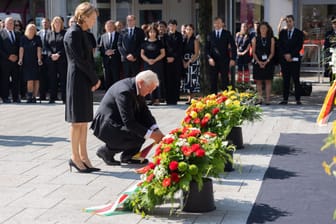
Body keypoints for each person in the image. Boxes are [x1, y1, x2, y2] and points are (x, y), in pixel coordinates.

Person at [91, 70, 165, 165]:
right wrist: (152, 135)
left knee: (143, 130)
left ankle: (129, 156)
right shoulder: (124, 91)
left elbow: (145, 112)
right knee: (139, 133)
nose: (150, 92)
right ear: (141, 83)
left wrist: (155, 129)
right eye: (149, 89)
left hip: (118, 119)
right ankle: (107, 151)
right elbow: (129, 122)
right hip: (106, 124)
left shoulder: (137, 86)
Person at [64, 2, 101, 173]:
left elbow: (89, 59)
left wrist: (93, 78)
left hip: (84, 79)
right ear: (84, 17)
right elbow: (79, 61)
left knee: (84, 121)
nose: (94, 21)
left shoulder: (83, 33)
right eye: (92, 18)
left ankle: (84, 157)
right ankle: (74, 157)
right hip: (77, 79)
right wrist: (94, 79)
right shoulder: (73, 34)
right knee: (76, 121)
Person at [205, 17, 236, 94]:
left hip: (224, 60)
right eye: (216, 23)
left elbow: (233, 46)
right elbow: (206, 49)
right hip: (213, 61)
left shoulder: (227, 33)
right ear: (213, 24)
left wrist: (233, 59)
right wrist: (209, 58)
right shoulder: (210, 34)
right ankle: (213, 98)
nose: (217, 24)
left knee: (225, 80)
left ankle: (226, 98)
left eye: (219, 22)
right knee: (213, 80)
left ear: (222, 24)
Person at [278, 15, 304, 105]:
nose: (288, 23)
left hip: (295, 59)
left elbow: (299, 45)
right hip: (285, 60)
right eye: (287, 21)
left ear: (293, 22)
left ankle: (298, 99)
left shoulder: (299, 33)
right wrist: (285, 55)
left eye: (290, 21)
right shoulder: (282, 33)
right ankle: (285, 99)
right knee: (286, 79)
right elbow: (280, 45)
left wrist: (291, 55)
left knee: (296, 79)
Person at [140, 24, 165, 105]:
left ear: (156, 33)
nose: (152, 33)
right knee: (148, 81)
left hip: (157, 64)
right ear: (148, 33)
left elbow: (163, 54)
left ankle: (157, 99)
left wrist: (154, 60)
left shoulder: (159, 42)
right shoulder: (144, 43)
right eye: (150, 32)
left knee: (157, 81)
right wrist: (148, 60)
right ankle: (150, 99)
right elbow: (142, 54)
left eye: (154, 32)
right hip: (147, 64)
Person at [18, 24, 43, 103]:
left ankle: (34, 97)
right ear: (27, 29)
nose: (32, 30)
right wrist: (20, 59)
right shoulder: (23, 38)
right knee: (30, 79)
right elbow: (21, 49)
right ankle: (29, 96)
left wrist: (39, 59)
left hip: (35, 61)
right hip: (27, 61)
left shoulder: (37, 38)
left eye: (33, 29)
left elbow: (39, 49)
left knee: (36, 79)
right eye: (30, 29)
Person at [252, 21, 275, 105]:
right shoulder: (255, 39)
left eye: (264, 28)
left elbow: (272, 52)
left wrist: (266, 62)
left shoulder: (271, 39)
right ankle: (259, 99)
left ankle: (268, 99)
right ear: (259, 29)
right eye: (261, 28)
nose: (263, 30)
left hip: (268, 62)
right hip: (257, 62)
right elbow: (253, 52)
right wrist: (258, 62)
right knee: (258, 81)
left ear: (267, 29)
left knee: (268, 81)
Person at [45, 16, 67, 104]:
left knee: (63, 79)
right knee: (52, 79)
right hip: (51, 60)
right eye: (55, 22)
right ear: (53, 23)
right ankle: (52, 97)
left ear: (61, 24)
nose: (57, 23)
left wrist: (58, 54)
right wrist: (51, 55)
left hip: (62, 59)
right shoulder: (49, 33)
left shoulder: (65, 33)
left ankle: (64, 98)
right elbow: (46, 46)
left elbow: (66, 46)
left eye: (59, 22)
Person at [0, 17, 21, 103]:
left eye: (12, 23)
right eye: (9, 23)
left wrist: (17, 56)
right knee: (5, 79)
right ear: (4, 23)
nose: (11, 24)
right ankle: (5, 97)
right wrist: (8, 56)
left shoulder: (17, 33)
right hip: (4, 61)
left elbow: (20, 46)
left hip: (15, 61)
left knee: (16, 79)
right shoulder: (1, 33)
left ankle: (16, 97)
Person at [98, 20, 121, 90]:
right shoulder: (103, 36)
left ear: (114, 26)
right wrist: (105, 52)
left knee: (116, 79)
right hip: (106, 62)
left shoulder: (119, 35)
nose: (109, 27)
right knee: (107, 80)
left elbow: (121, 47)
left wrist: (114, 51)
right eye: (107, 26)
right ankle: (107, 95)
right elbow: (100, 48)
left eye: (111, 26)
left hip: (116, 62)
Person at [165, 19, 183, 105]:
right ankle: (168, 99)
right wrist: (167, 57)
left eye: (174, 25)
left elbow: (180, 48)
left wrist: (174, 57)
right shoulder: (165, 36)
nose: (172, 27)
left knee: (176, 80)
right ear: (168, 26)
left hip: (176, 61)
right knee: (168, 80)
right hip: (167, 61)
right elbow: (164, 48)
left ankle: (175, 98)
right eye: (170, 25)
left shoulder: (179, 36)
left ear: (176, 26)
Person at [181, 24, 200, 104]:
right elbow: (181, 52)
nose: (188, 31)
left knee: (192, 79)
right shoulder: (183, 40)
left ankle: (192, 98)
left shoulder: (195, 40)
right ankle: (188, 97)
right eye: (187, 29)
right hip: (184, 60)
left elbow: (196, 53)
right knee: (187, 79)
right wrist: (183, 62)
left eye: (190, 29)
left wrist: (189, 62)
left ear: (193, 31)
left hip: (193, 61)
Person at [37, 18, 50, 101]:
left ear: (49, 23)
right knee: (42, 77)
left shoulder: (51, 32)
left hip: (49, 56)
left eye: (46, 22)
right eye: (43, 23)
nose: (45, 24)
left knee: (50, 76)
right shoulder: (38, 33)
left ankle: (52, 95)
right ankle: (42, 95)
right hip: (41, 57)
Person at [324, 17, 336, 82]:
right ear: (332, 24)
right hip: (332, 57)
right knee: (332, 74)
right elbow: (326, 46)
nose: (335, 25)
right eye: (334, 23)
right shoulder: (328, 33)